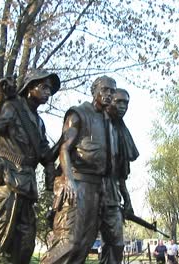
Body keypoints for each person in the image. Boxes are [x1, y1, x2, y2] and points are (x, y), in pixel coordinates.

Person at [0, 69, 60, 264]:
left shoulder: (39, 123)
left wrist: (67, 136)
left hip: (26, 185)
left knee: (25, 243)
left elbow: (45, 155)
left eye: (50, 88)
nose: (48, 92)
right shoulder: (11, 107)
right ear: (30, 88)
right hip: (7, 182)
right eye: (44, 87)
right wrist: (0, 100)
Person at [41, 76, 118, 264]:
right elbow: (64, 148)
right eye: (105, 90)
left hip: (96, 188)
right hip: (76, 183)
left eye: (112, 92)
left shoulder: (108, 121)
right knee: (69, 242)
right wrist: (68, 180)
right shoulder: (78, 113)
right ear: (95, 90)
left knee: (85, 243)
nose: (109, 95)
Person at [106, 88, 139, 217]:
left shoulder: (123, 133)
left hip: (112, 195)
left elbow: (121, 175)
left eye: (125, 103)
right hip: (90, 190)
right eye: (118, 102)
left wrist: (127, 200)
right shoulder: (95, 124)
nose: (122, 106)